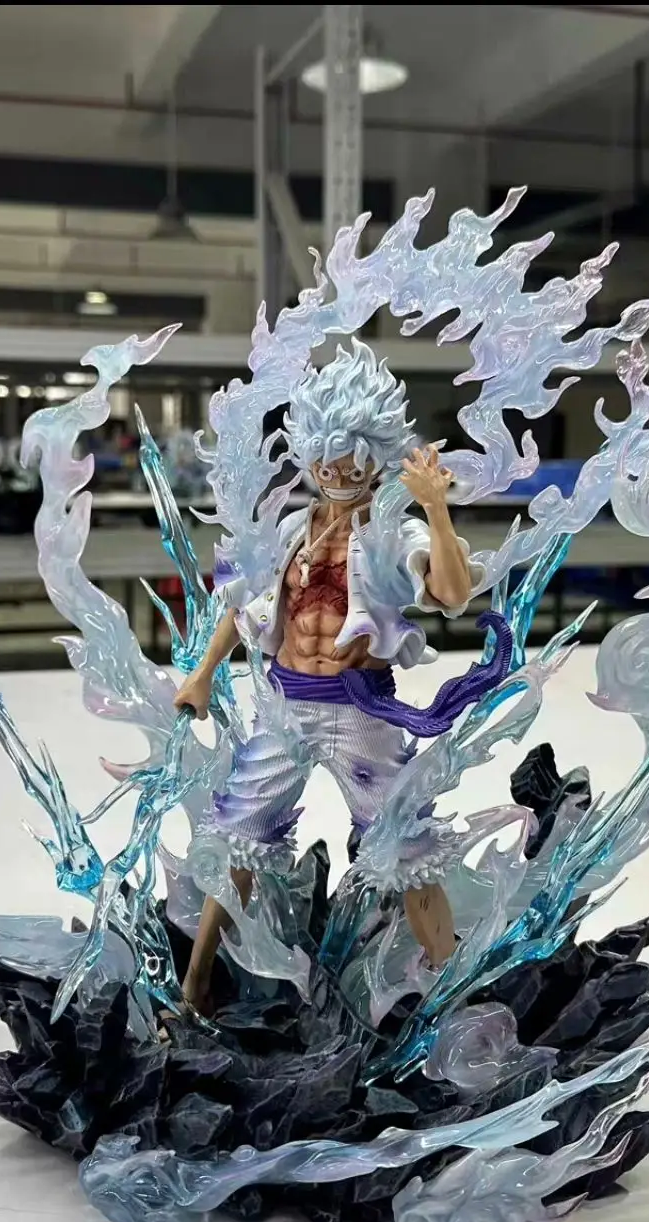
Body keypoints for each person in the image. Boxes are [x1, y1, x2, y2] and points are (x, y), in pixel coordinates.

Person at [173, 341, 508, 1016]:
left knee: (407, 851)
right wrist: (202, 674)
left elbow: (451, 593)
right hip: (285, 705)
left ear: (376, 453)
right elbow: (244, 604)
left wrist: (437, 510)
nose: (335, 471)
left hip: (361, 713)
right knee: (238, 839)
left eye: (350, 457)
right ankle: (194, 989)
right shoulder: (290, 530)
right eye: (324, 457)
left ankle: (452, 996)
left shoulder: (392, 533)